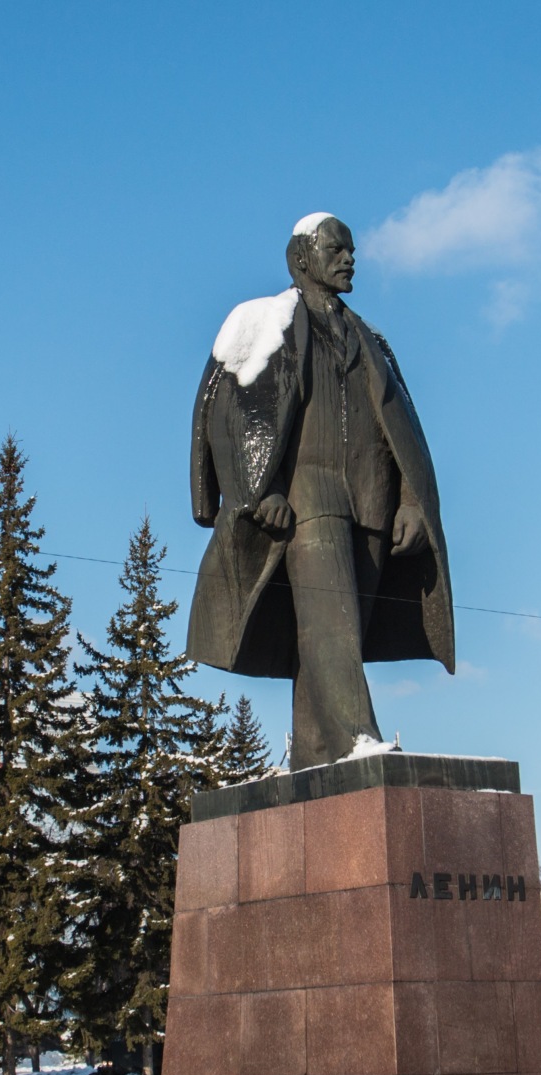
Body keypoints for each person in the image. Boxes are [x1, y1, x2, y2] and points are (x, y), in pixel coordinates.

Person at [187, 214, 454, 770]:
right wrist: (261, 490)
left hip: (372, 501)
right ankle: (358, 738)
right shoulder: (263, 322)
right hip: (310, 493)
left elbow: (405, 428)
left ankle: (315, 759)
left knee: (338, 631)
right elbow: (231, 412)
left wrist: (410, 502)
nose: (349, 259)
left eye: (351, 250)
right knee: (331, 620)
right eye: (336, 249)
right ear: (301, 258)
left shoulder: (371, 339)